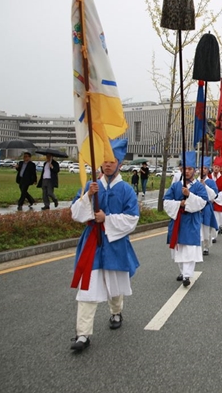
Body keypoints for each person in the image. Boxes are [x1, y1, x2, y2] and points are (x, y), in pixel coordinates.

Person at [69, 139, 140, 352]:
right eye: (104, 161)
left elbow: (132, 219)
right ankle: (82, 334)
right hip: (92, 242)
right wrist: (88, 197)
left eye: (112, 161)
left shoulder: (126, 190)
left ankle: (116, 311)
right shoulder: (91, 186)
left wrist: (106, 219)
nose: (108, 165)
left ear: (119, 164)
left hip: (115, 243)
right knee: (87, 288)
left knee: (115, 286)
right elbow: (75, 213)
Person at [163, 153, 209, 286]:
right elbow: (166, 201)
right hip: (178, 220)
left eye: (189, 169)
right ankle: (183, 272)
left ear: (194, 170)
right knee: (179, 248)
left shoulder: (199, 186)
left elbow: (202, 202)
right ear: (181, 170)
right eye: (184, 168)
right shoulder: (175, 186)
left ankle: (187, 275)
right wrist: (179, 204)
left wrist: (189, 196)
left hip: (192, 221)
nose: (187, 171)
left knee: (189, 248)